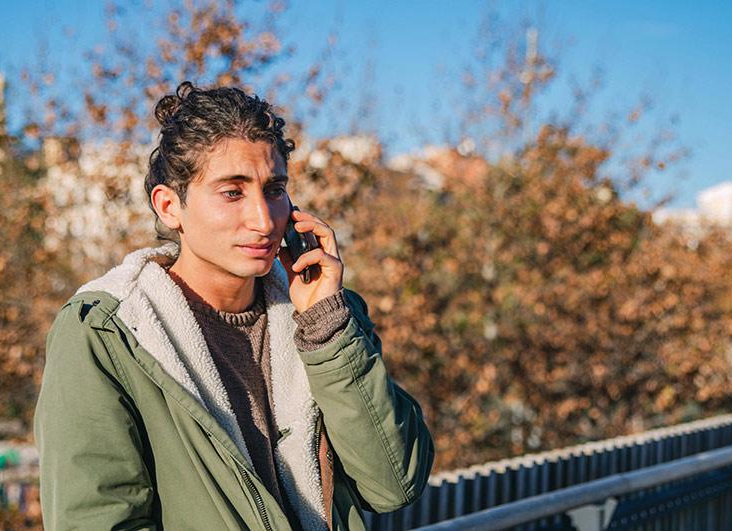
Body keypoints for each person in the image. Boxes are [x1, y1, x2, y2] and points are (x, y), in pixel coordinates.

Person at [34, 81, 434, 530]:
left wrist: (328, 332)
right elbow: (95, 521)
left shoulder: (326, 316)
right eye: (232, 192)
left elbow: (394, 485)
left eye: (275, 189)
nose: (264, 220)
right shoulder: (105, 333)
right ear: (169, 206)